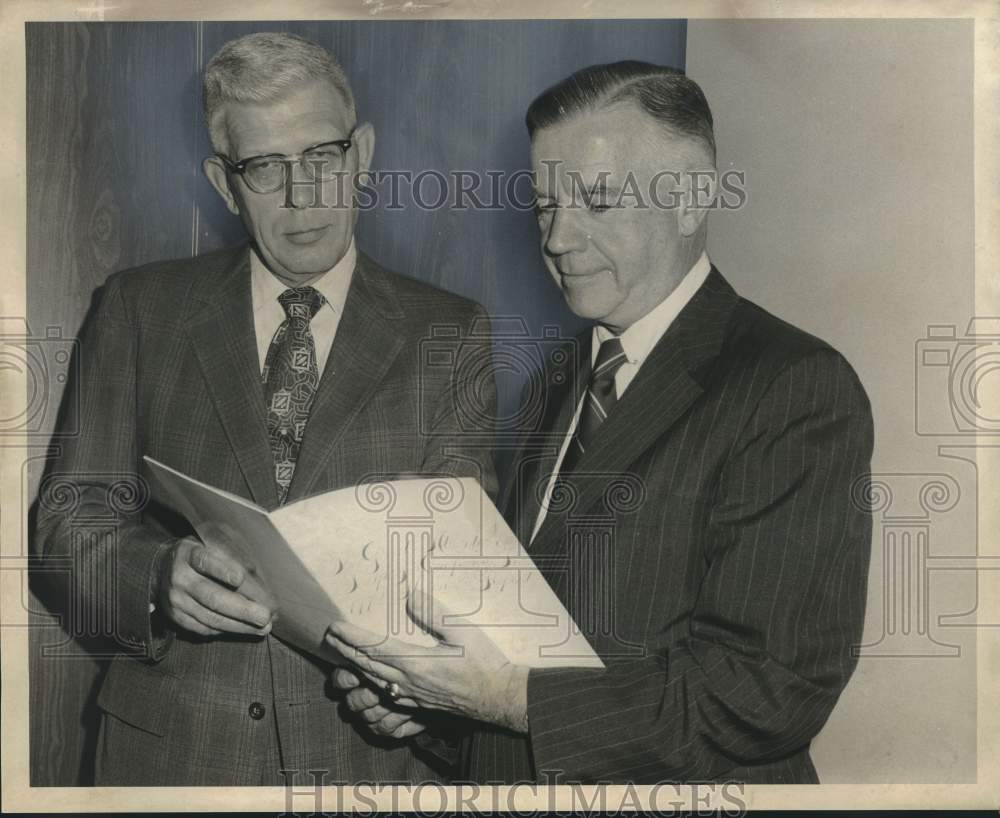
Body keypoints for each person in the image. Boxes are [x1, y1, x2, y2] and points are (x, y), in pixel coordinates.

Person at [328, 61, 875, 784]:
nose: (556, 238)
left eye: (597, 199)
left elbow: (765, 692)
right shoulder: (557, 379)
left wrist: (507, 699)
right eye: (545, 205)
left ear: (692, 197)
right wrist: (429, 705)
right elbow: (528, 648)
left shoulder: (792, 387)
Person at [33, 32, 495, 786]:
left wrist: (428, 691)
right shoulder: (140, 309)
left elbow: (464, 568)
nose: (301, 196)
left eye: (321, 157)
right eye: (264, 168)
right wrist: (157, 576)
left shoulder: (452, 331)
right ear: (223, 184)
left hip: (366, 764)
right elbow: (66, 521)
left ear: (364, 154)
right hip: (172, 759)